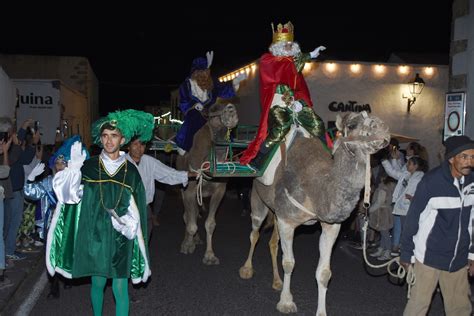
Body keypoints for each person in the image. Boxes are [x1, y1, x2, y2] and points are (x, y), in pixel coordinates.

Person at [46, 110, 152, 315]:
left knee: (121, 288)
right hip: (95, 235)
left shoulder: (131, 172)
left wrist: (130, 223)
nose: (109, 141)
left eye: (114, 136)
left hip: (121, 236)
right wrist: (73, 173)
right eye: (105, 136)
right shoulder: (89, 166)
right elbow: (69, 197)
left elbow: (138, 206)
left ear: (123, 140)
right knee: (98, 283)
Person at [400, 135, 474, 316]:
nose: (469, 162)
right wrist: (406, 253)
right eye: (464, 156)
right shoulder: (431, 182)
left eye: (473, 157)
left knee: (460, 309)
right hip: (428, 257)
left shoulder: (472, 182)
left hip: (458, 257)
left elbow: (473, 220)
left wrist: (472, 253)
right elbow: (413, 219)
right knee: (418, 306)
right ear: (451, 158)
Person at [239, 21, 326, 165]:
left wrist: (299, 102)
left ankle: (328, 154)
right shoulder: (267, 60)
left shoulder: (292, 65)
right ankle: (258, 159)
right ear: (278, 46)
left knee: (317, 123)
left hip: (293, 103)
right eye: (286, 44)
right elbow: (285, 66)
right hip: (277, 104)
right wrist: (309, 55)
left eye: (291, 44)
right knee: (281, 127)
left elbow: (299, 88)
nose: (289, 46)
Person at [24, 135, 88, 298]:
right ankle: (54, 288)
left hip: (70, 222)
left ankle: (67, 278)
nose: (60, 166)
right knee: (50, 252)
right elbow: (31, 193)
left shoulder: (77, 182)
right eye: (57, 163)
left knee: (68, 250)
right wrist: (30, 178)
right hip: (51, 222)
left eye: (63, 163)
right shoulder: (48, 181)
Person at [125, 135, 194, 242]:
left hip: (145, 209)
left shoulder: (149, 162)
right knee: (128, 244)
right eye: (135, 144)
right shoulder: (120, 163)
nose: (139, 147)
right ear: (128, 146)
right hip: (126, 211)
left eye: (142, 144)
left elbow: (168, 173)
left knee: (144, 242)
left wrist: (189, 174)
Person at [175, 51, 246, 153]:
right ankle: (186, 146)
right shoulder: (186, 86)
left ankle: (224, 148)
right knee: (194, 118)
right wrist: (194, 105)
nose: (204, 76)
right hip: (194, 114)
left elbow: (224, 90)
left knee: (221, 119)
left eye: (206, 72)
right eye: (201, 73)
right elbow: (183, 101)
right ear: (195, 73)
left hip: (210, 113)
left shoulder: (212, 83)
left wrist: (235, 82)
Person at [378, 156, 426, 260]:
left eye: (409, 163)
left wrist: (414, 198)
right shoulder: (406, 174)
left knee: (410, 232)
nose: (407, 165)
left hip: (411, 208)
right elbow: (392, 172)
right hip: (401, 208)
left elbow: (424, 193)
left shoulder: (421, 178)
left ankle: (412, 255)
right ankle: (405, 254)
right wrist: (384, 160)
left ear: (415, 166)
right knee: (404, 231)